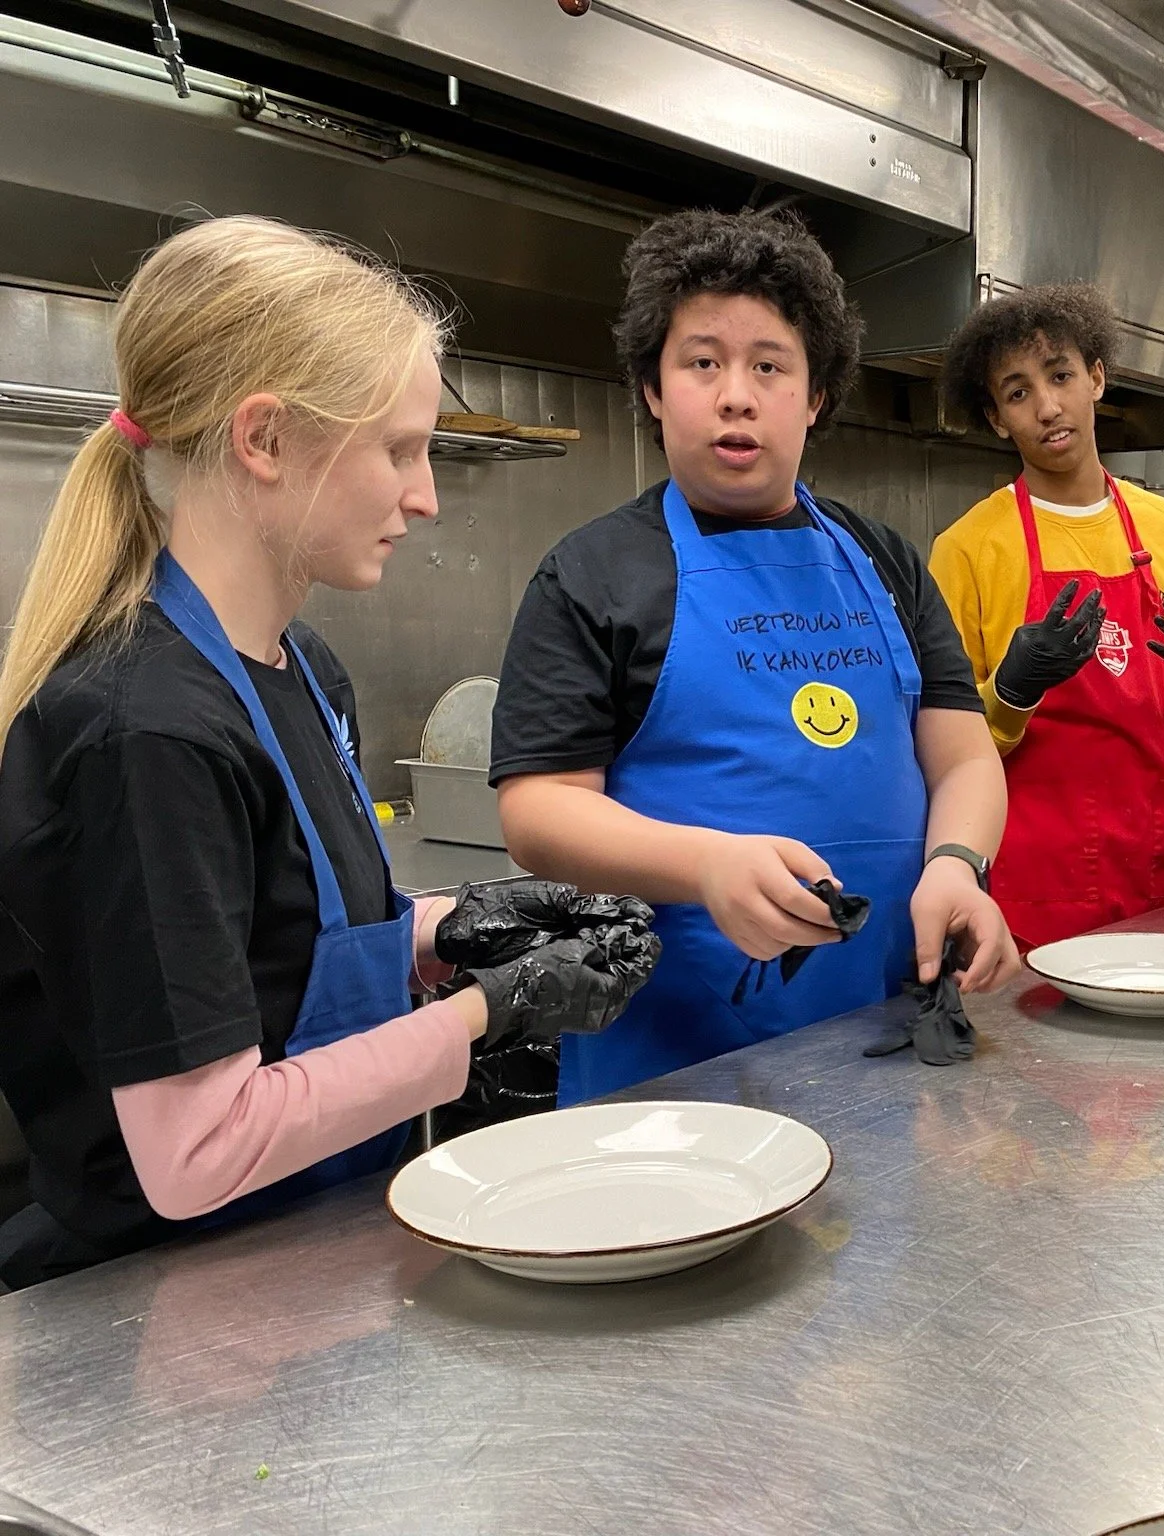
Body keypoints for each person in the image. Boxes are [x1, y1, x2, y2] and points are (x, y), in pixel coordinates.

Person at [0, 217, 655, 1289]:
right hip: (170, 1308)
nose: (426, 495)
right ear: (264, 442)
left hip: (315, 1261)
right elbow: (196, 1154)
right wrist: (496, 1011)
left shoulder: (302, 671)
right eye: (398, 449)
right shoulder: (147, 732)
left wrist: (457, 931)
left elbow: (270, 959)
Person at [491, 209, 1019, 1106]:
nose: (736, 394)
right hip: (673, 1068)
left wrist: (955, 865)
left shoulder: (886, 560)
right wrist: (705, 866)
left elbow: (964, 754)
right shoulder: (593, 573)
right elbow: (539, 808)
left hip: (882, 1041)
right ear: (654, 389)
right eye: (702, 363)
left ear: (814, 397)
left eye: (769, 366)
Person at [928, 284, 1164, 948]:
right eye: (1017, 393)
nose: (1047, 405)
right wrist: (1012, 690)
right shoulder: (967, 549)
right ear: (995, 419)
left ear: (1096, 378)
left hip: (1159, 862)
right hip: (1032, 879)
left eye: (1061, 375)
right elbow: (942, 747)